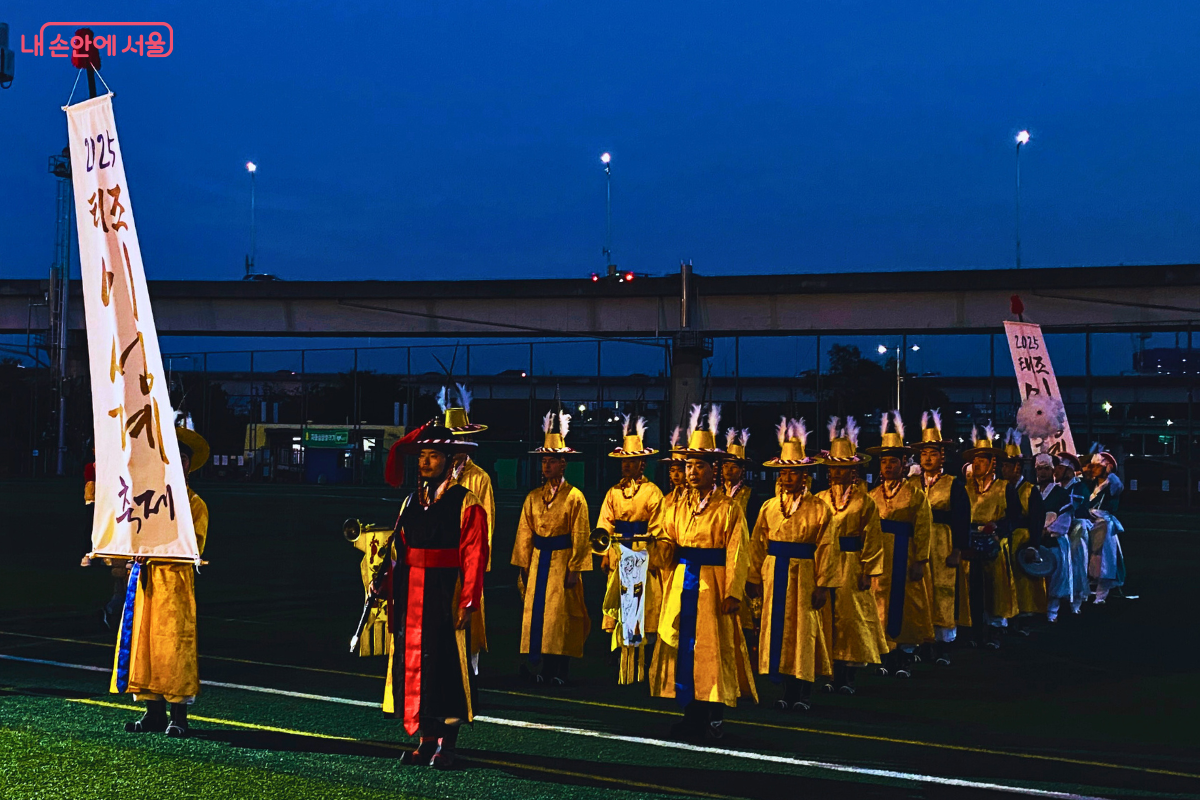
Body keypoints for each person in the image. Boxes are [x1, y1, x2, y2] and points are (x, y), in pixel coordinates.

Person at [371, 422, 488, 769]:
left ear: (449, 460)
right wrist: (384, 582)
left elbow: (475, 554)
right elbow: (398, 548)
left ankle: (447, 744)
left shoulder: (466, 502)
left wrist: (468, 601)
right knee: (416, 666)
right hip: (411, 594)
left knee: (445, 666)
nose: (424, 462)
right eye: (422, 455)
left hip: (445, 592)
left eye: (433, 456)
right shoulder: (411, 501)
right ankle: (425, 740)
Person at [651, 404, 757, 740]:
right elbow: (667, 539)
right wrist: (656, 548)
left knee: (712, 648)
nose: (692, 472)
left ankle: (713, 716)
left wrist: (734, 592)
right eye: (688, 466)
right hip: (683, 583)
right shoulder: (677, 505)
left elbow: (738, 551)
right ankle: (691, 714)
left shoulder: (728, 508)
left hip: (713, 584)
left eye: (699, 466)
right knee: (684, 646)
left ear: (715, 470)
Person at [115, 425, 210, 738]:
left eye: (182, 458)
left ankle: (179, 716)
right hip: (146, 584)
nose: (176, 463)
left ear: (189, 464)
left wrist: (152, 552)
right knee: (145, 647)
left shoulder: (194, 504)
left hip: (174, 586)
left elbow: (193, 546)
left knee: (174, 649)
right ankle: (153, 713)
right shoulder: (147, 497)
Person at [746, 418, 835, 712]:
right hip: (775, 573)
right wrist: (753, 577)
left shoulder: (819, 508)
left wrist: (823, 585)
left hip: (804, 574)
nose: (786, 478)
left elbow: (827, 546)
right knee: (778, 630)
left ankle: (803, 692)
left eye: (792, 473)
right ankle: (785, 689)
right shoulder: (770, 506)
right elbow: (758, 543)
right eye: (783, 472)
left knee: (803, 630)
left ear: (804, 475)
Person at [511, 410, 592, 686]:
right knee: (540, 615)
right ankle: (542, 668)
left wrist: (575, 568)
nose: (546, 466)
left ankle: (560, 670)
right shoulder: (534, 497)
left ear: (563, 464)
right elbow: (525, 532)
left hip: (562, 561)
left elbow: (581, 533)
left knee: (561, 616)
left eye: (552, 461)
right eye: (544, 461)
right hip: (538, 561)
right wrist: (524, 564)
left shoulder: (575, 497)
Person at [816, 417, 886, 695]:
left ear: (852, 470)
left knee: (850, 616)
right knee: (826, 614)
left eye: (842, 468)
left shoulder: (864, 501)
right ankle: (829, 670)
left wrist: (868, 570)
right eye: (833, 467)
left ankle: (847, 675)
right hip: (825, 562)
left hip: (851, 561)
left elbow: (873, 537)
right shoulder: (820, 499)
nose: (836, 472)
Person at [597, 414, 664, 684]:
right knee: (620, 603)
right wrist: (605, 553)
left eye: (631, 462)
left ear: (642, 464)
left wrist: (650, 554)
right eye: (623, 462)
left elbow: (659, 527)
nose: (626, 466)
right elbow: (604, 524)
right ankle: (621, 656)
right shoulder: (613, 492)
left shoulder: (653, 492)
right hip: (619, 553)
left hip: (642, 554)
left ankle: (641, 659)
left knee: (641, 604)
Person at [866, 411, 933, 678]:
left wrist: (920, 560)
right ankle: (883, 653)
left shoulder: (915, 494)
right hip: (880, 556)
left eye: (892, 461)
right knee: (879, 601)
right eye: (884, 462)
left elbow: (924, 528)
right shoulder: (872, 495)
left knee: (908, 602)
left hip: (905, 554)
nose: (887, 467)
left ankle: (904, 656)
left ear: (903, 464)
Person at [441, 384, 496, 666]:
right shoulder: (437, 476)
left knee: (469, 612)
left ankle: (471, 668)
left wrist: (478, 562)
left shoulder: (480, 478)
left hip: (466, 557)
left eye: (458, 440)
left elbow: (487, 525)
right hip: (440, 557)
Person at [913, 410, 968, 666]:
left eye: (932, 454)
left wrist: (957, 549)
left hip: (943, 542)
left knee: (943, 590)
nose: (927, 458)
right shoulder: (912, 484)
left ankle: (943, 645)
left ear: (942, 456)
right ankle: (921, 641)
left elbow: (961, 518)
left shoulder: (953, 484)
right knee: (920, 590)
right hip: (917, 544)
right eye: (924, 454)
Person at [960, 425, 1020, 649]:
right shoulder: (965, 488)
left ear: (992, 463)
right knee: (973, 588)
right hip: (970, 542)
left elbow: (1014, 517)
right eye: (975, 461)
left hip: (994, 543)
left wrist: (999, 528)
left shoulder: (1005, 488)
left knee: (996, 588)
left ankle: (995, 631)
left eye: (982, 461)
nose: (977, 465)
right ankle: (974, 631)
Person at [998, 430, 1046, 633]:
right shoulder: (1000, 488)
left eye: (1006, 466)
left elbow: (1037, 520)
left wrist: (1034, 545)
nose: (1003, 470)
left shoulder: (1029, 490)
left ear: (1017, 468)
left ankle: (1024, 618)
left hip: (1022, 538)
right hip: (1004, 539)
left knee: (1023, 580)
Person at [722, 427, 761, 656]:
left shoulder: (750, 496)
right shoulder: (716, 495)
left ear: (742, 470)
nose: (729, 470)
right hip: (720, 556)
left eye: (734, 466)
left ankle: (744, 650)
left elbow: (754, 531)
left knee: (745, 605)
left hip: (743, 554)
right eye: (726, 465)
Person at [1035, 453, 1079, 622]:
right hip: (1036, 541)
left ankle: (1052, 611)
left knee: (1055, 576)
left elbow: (1065, 519)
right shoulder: (1032, 491)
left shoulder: (1061, 493)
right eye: (1039, 469)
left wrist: (1048, 531)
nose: (1042, 472)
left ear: (1052, 471)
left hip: (1055, 541)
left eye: (1046, 469)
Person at [1083, 447, 1126, 603]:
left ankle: (1101, 594)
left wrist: (1109, 471)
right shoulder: (1092, 485)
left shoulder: (1112, 483)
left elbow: (1118, 486)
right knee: (1087, 555)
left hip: (1104, 524)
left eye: (1097, 466)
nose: (1093, 469)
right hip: (1090, 522)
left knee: (1104, 558)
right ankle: (1087, 590)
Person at [1056, 452, 1092, 614]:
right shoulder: (1056, 488)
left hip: (1076, 528)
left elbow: (1073, 507)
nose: (1056, 471)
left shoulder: (1079, 487)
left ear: (1069, 471)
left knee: (1077, 564)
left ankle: (1076, 601)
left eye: (1060, 468)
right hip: (1061, 529)